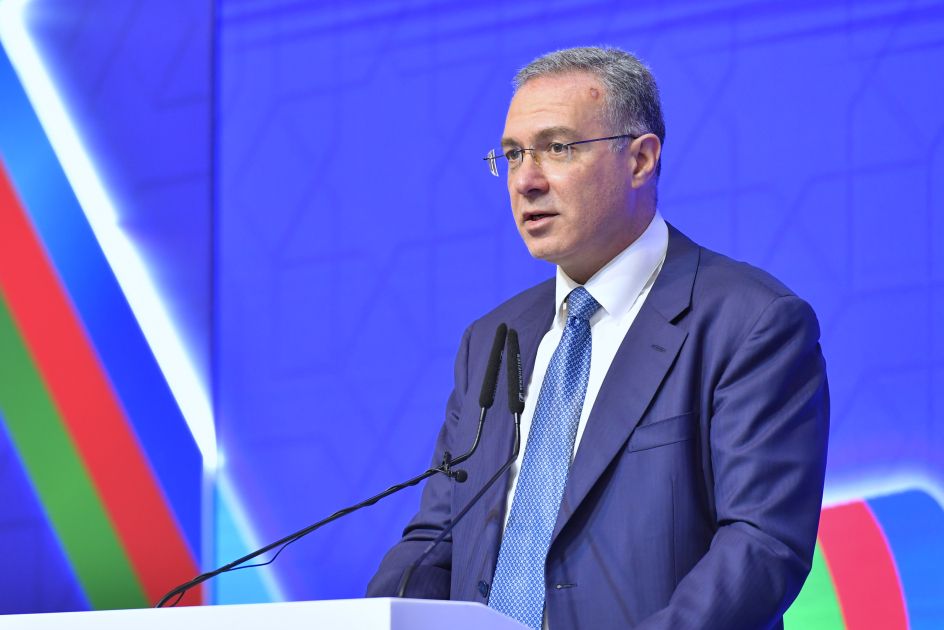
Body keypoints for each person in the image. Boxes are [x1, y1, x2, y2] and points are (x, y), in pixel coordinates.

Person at [366, 46, 829, 630]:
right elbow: (436, 541)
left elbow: (760, 546)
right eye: (513, 154)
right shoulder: (491, 340)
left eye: (557, 148)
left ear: (640, 160)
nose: (526, 181)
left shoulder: (750, 322)